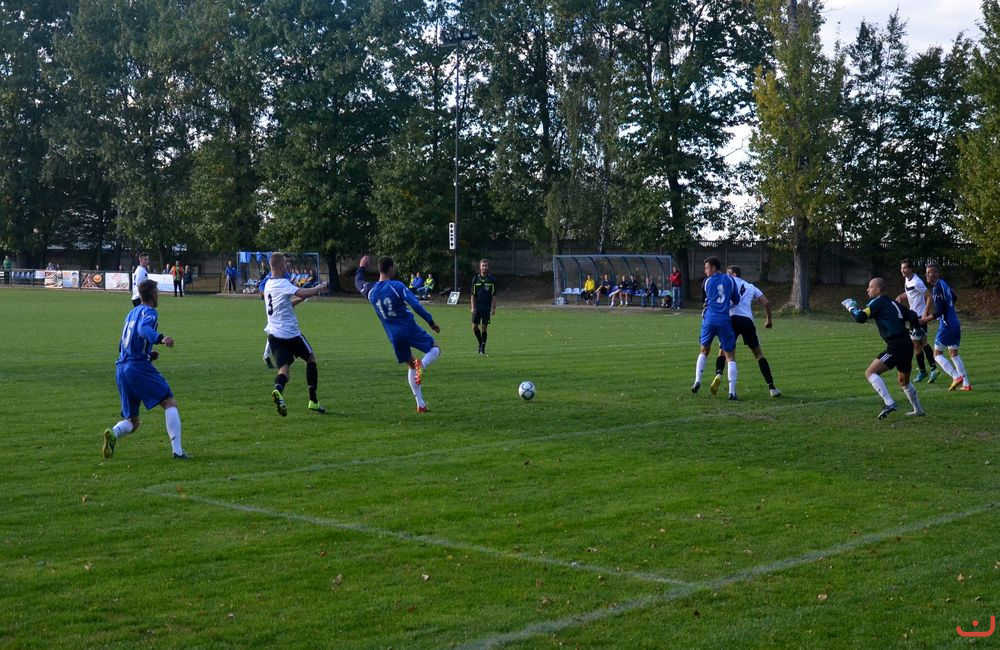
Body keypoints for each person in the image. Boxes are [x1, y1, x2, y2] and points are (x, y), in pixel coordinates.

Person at [102, 279, 188, 460]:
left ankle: (113, 433)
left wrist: (147, 354)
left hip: (122, 368)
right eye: (157, 291)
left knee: (133, 422)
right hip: (137, 368)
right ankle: (178, 452)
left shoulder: (131, 313)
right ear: (154, 294)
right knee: (169, 402)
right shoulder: (150, 312)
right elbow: (143, 329)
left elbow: (122, 345)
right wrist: (160, 338)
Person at [355, 255, 442, 412]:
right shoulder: (396, 286)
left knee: (411, 365)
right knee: (435, 349)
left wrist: (361, 267)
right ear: (390, 269)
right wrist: (431, 322)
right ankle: (422, 365)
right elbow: (415, 304)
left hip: (394, 336)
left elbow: (358, 282)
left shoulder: (370, 290)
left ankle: (420, 404)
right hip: (408, 328)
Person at [843, 277, 926, 418]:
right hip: (907, 344)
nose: (867, 289)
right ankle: (918, 411)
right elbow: (912, 315)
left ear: (878, 289)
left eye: (870, 287)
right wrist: (917, 329)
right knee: (904, 381)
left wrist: (850, 307)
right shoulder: (893, 302)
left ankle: (889, 403)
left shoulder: (878, 302)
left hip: (896, 345)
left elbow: (860, 318)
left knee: (870, 373)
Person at [262, 252, 329, 416]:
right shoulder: (282, 283)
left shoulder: (269, 284)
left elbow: (287, 303)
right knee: (311, 359)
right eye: (285, 263)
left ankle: (278, 390)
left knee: (284, 371)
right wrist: (319, 287)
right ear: (280, 266)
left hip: (274, 336)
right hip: (291, 335)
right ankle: (313, 401)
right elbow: (302, 292)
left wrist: (304, 298)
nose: (287, 266)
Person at [708, 266, 781, 397]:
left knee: (724, 352)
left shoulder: (729, 282)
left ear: (735, 274)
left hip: (731, 319)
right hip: (747, 321)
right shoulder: (751, 287)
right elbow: (766, 302)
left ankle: (719, 374)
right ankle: (772, 387)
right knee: (758, 354)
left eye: (728, 273)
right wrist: (769, 320)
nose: (726, 275)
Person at [691, 257, 740, 399]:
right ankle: (732, 392)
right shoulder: (730, 280)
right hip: (724, 320)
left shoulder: (706, 282)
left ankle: (697, 381)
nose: (705, 271)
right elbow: (736, 300)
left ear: (713, 268)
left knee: (704, 350)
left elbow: (704, 301)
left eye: (707, 268)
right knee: (730, 356)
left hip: (709, 320)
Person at [920, 263, 971, 391]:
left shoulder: (937, 288)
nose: (927, 275)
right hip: (955, 323)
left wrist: (925, 320)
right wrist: (950, 308)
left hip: (947, 325)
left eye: (930, 272)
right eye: (926, 273)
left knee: (937, 354)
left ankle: (956, 377)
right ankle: (966, 384)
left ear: (936, 274)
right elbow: (954, 297)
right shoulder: (943, 284)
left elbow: (940, 311)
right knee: (954, 354)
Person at [897, 259, 938, 383]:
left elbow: (929, 296)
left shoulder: (917, 281)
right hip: (914, 316)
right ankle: (931, 369)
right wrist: (900, 297)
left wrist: (925, 313)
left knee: (917, 345)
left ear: (910, 269)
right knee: (922, 343)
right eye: (901, 268)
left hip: (918, 317)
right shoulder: (908, 280)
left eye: (905, 268)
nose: (902, 270)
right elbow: (911, 293)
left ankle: (924, 371)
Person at [471, 259, 497, 354]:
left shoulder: (492, 279)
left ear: (488, 267)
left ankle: (482, 348)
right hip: (477, 306)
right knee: (474, 327)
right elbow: (472, 295)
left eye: (486, 266)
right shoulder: (475, 279)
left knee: (484, 327)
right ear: (480, 267)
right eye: (483, 265)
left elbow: (494, 295)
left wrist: (493, 307)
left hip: (486, 306)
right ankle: (480, 343)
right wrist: (473, 307)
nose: (484, 267)